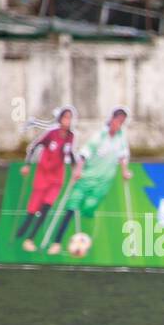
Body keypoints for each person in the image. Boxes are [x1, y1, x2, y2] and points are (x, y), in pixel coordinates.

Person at [46, 105, 131, 255]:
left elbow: (122, 155)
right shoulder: (99, 136)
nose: (119, 125)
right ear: (112, 120)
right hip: (86, 179)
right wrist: (78, 170)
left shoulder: (121, 138)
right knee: (71, 208)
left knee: (89, 209)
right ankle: (56, 243)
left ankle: (85, 243)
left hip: (103, 182)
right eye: (118, 121)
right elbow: (84, 154)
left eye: (122, 122)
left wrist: (125, 171)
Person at [16, 105, 76, 253]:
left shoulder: (71, 137)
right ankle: (23, 228)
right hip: (43, 174)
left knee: (46, 207)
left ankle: (30, 239)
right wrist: (28, 165)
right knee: (33, 207)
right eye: (65, 117)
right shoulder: (51, 134)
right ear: (60, 119)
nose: (67, 121)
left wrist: (76, 168)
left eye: (69, 118)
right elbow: (34, 146)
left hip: (57, 178)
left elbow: (71, 154)